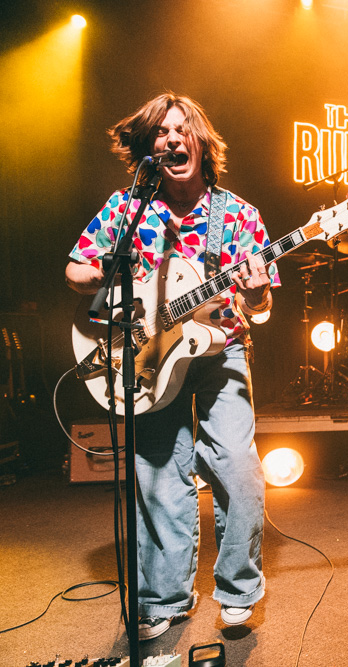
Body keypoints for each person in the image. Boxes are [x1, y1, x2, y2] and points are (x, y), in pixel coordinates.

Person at [65, 93, 278, 639]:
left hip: (219, 352)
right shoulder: (128, 206)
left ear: (202, 143)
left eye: (183, 131)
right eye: (161, 133)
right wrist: (113, 278)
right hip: (144, 359)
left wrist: (253, 292)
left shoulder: (238, 214)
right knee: (158, 475)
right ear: (148, 147)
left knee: (237, 467)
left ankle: (238, 591)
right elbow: (76, 268)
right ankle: (165, 598)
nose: (173, 140)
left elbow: (261, 309)